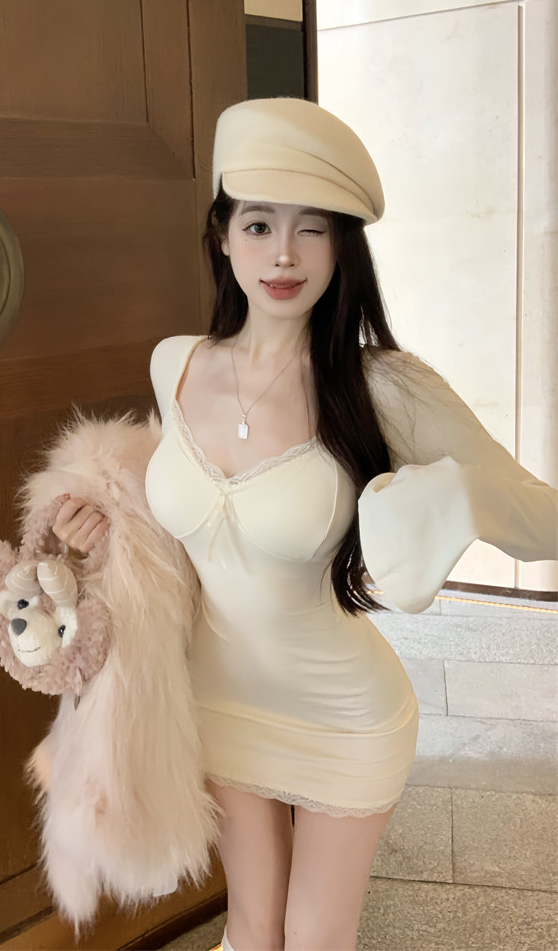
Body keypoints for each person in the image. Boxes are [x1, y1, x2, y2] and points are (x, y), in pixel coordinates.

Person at [52, 98, 558, 951]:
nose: (283, 254)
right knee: (254, 931)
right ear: (222, 237)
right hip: (216, 697)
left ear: (341, 246)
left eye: (312, 229)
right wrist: (104, 529)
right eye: (258, 225)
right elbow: (188, 533)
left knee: (315, 938)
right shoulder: (175, 364)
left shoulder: (384, 386)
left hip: (341, 713)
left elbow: (539, 519)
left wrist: (456, 499)